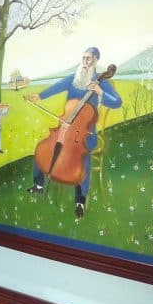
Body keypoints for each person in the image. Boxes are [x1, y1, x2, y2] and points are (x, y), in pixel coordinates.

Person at [25, 46, 122, 218]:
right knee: (43, 148)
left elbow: (117, 102)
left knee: (82, 160)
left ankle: (80, 201)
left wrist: (100, 92)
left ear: (95, 61)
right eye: (84, 58)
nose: (85, 62)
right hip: (64, 129)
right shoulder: (73, 79)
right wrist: (39, 96)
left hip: (84, 134)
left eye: (89, 59)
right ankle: (38, 185)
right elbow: (55, 87)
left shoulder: (101, 83)